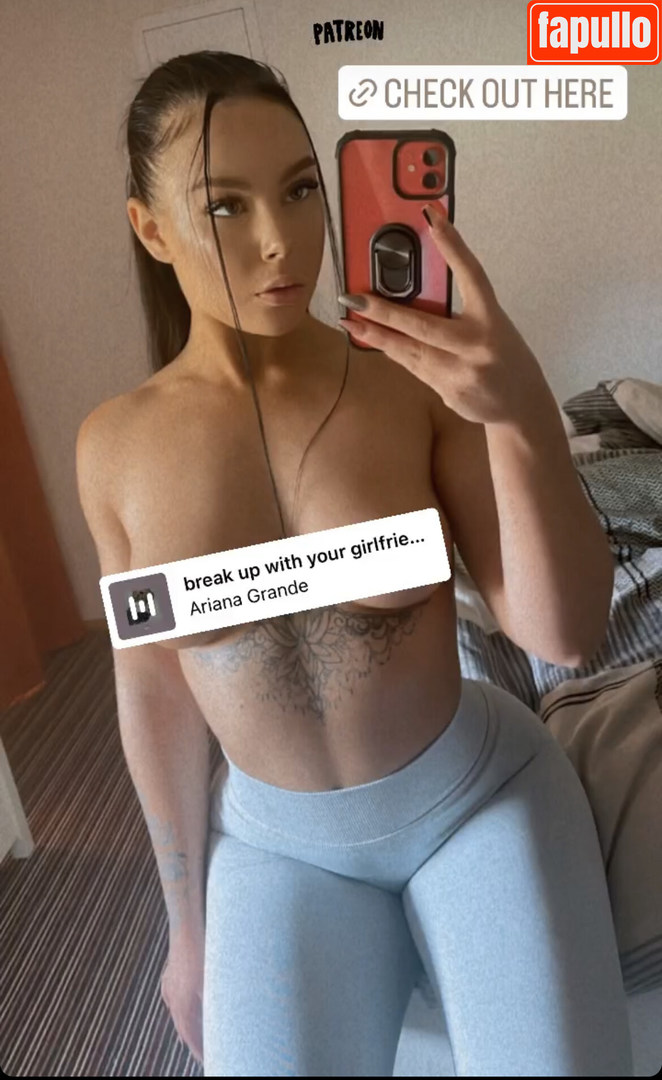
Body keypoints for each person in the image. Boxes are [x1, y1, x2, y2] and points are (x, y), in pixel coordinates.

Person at [76, 51, 633, 1076]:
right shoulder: (115, 449)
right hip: (277, 845)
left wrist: (519, 412)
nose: (280, 239)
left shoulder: (407, 383)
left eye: (300, 189)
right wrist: (184, 926)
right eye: (226, 205)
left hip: (476, 798)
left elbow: (560, 633)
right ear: (150, 230)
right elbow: (150, 682)